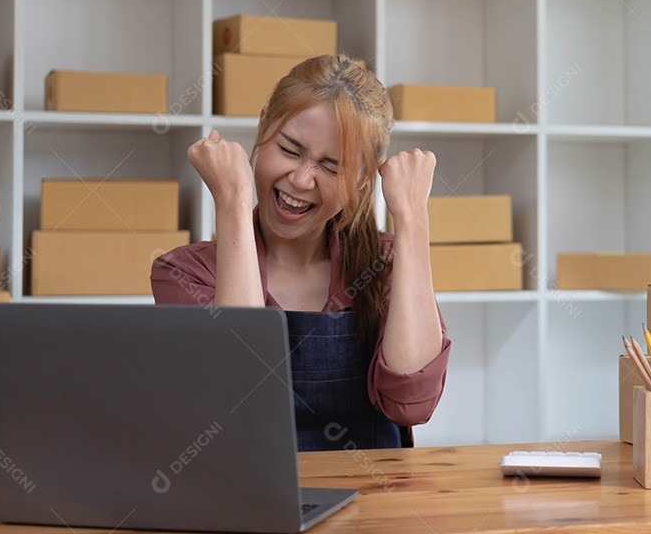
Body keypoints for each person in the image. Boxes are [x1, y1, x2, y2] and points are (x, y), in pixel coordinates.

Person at [151, 54, 450, 451]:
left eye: (331, 167)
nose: (301, 179)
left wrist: (411, 218)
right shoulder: (184, 274)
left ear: (363, 181)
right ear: (263, 126)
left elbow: (411, 404)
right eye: (290, 150)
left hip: (375, 506)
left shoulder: (387, 265)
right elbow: (239, 402)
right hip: (250, 505)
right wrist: (233, 202)